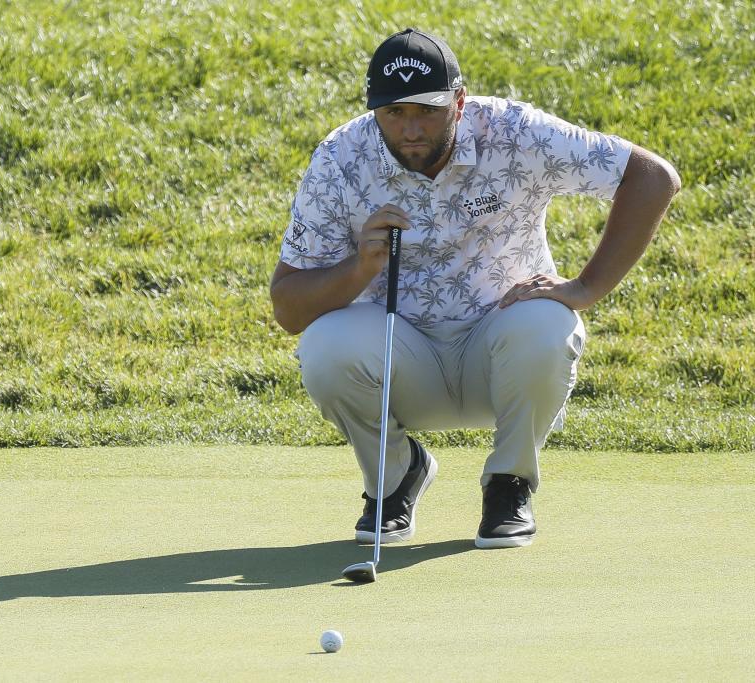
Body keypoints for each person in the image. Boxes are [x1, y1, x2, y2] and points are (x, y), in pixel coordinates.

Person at [270, 28, 680, 549]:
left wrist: (584, 288)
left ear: (459, 102)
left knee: (549, 323)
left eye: (428, 111)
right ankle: (394, 477)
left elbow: (652, 178)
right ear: (373, 108)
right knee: (325, 346)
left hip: (502, 355)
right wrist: (358, 268)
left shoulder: (515, 131)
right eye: (394, 113)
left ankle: (509, 485)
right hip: (401, 362)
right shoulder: (340, 158)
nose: (410, 129)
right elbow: (288, 308)